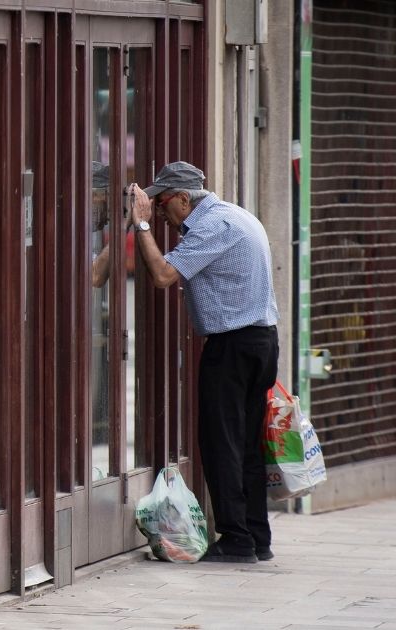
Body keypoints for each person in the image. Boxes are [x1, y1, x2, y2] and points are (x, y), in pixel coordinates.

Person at [127, 161, 280, 564]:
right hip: (259, 341)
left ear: (183, 199)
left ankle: (236, 538)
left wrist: (140, 227)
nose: (158, 213)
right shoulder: (235, 215)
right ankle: (255, 536)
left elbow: (162, 274)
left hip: (234, 345)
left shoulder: (214, 227)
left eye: (161, 205)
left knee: (221, 443)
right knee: (246, 443)